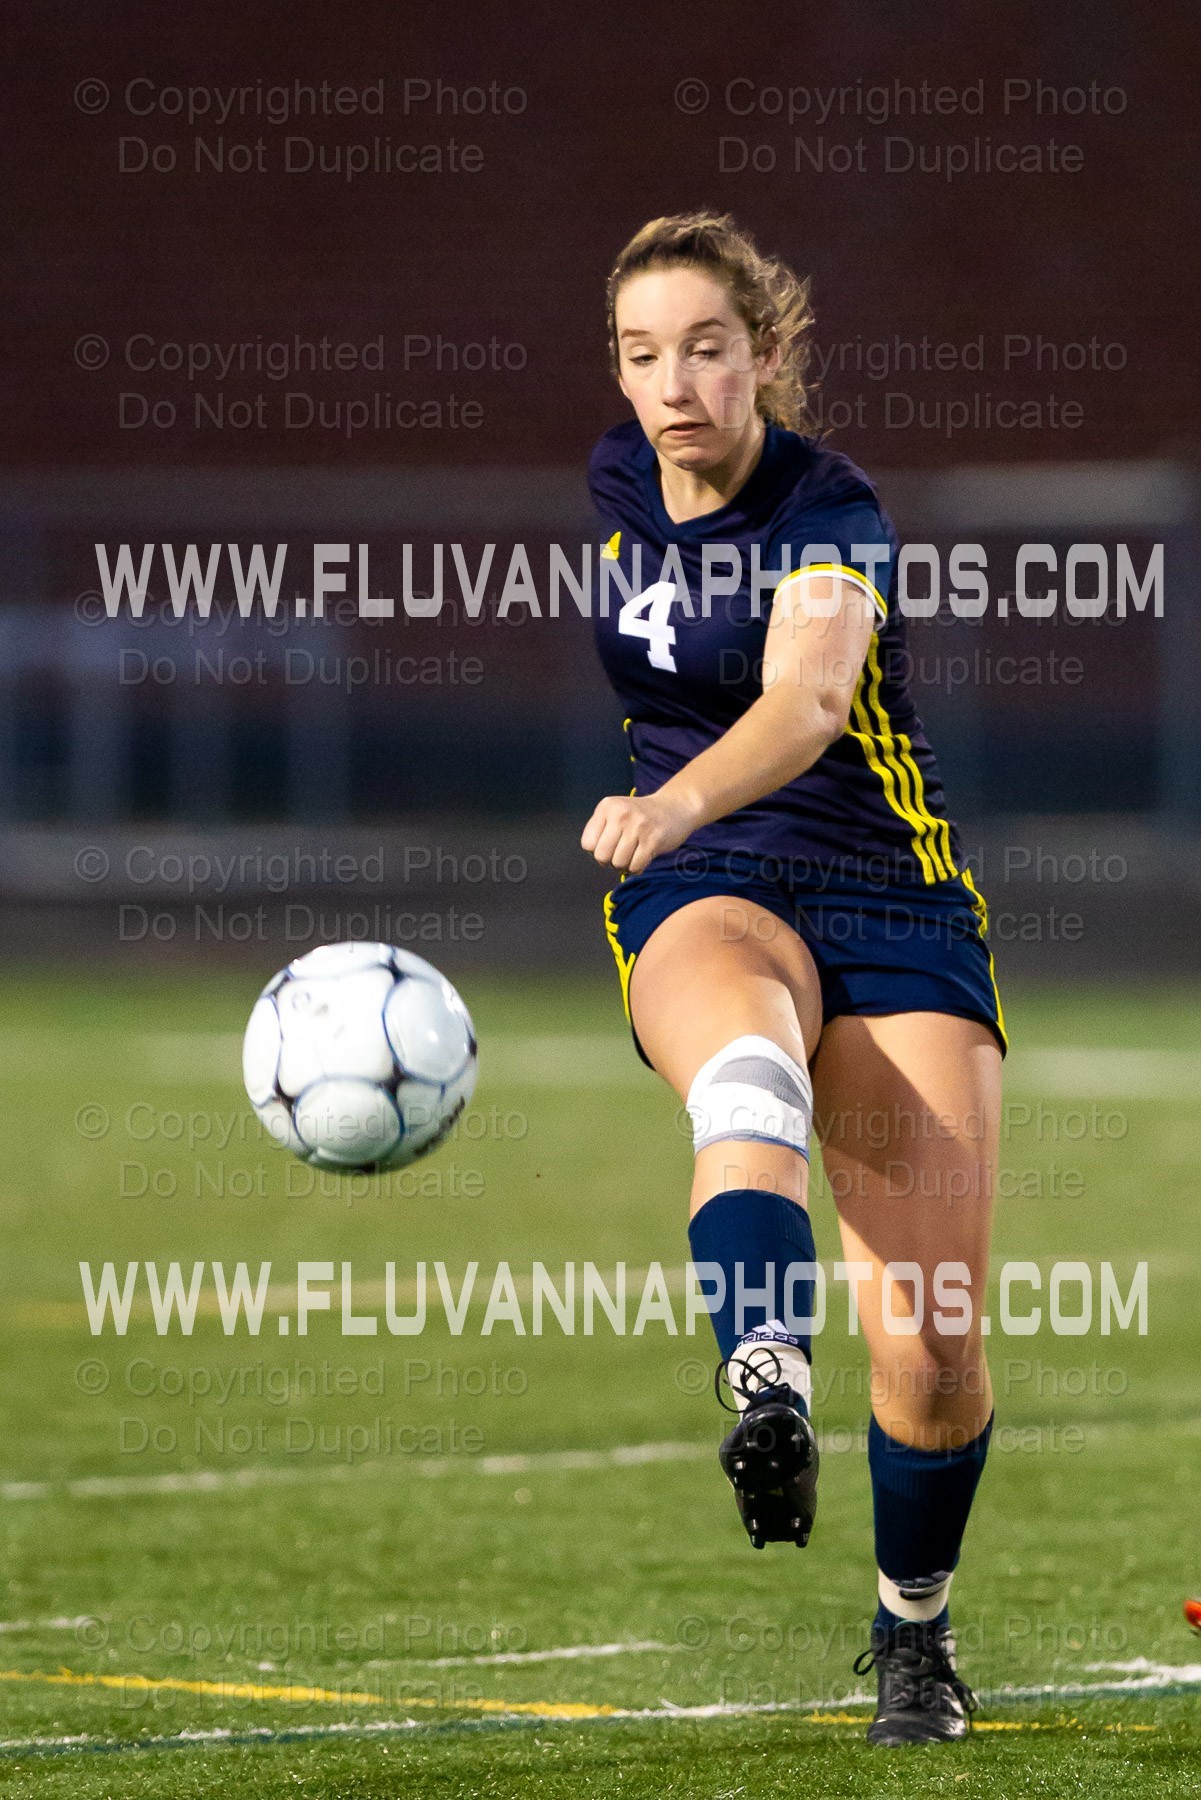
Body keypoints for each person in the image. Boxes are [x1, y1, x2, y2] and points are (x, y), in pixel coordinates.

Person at [581, 211, 1005, 1747]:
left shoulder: (831, 506)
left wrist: (673, 796)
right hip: (707, 892)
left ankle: (912, 1631)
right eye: (641, 354)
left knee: (933, 1338)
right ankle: (762, 1371)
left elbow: (812, 698)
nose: (672, 383)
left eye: (704, 347)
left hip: (885, 895)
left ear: (765, 353)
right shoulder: (616, 480)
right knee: (741, 1071)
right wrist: (685, 834)